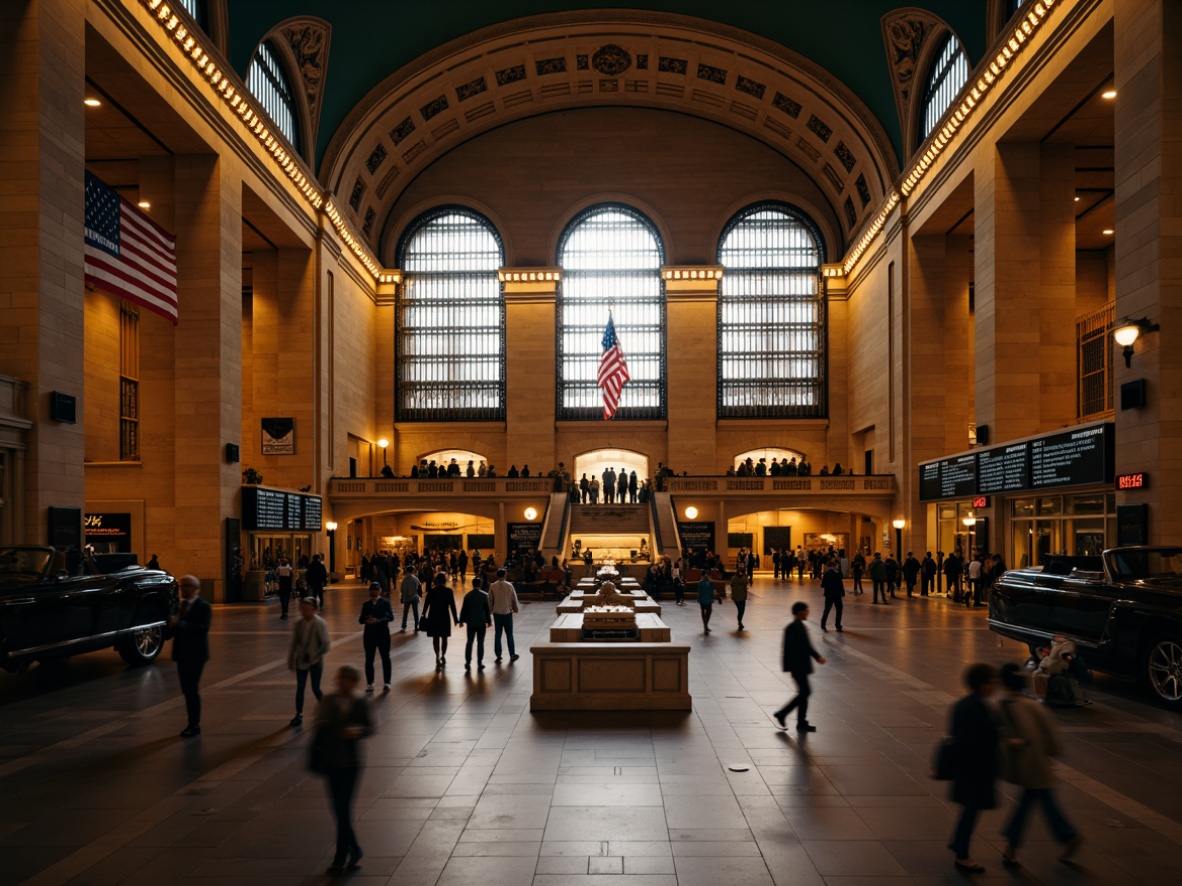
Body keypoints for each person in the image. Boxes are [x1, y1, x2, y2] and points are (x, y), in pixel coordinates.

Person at [996, 663, 1081, 866]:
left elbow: (1005, 736)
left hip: (1029, 765)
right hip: (1039, 764)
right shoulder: (1032, 705)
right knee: (1039, 801)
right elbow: (1051, 736)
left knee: (1032, 802)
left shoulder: (1006, 705)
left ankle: (1014, 845)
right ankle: (1065, 836)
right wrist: (1051, 751)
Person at [315, 665, 374, 874]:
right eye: (341, 678)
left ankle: (340, 857)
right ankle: (355, 849)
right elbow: (319, 727)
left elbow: (371, 727)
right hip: (331, 761)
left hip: (351, 764)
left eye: (348, 680)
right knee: (339, 810)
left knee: (343, 810)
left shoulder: (360, 702)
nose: (343, 683)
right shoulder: (329, 700)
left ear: (354, 682)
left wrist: (359, 731)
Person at [947, 663, 1002, 873]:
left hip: (974, 770)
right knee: (970, 812)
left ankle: (959, 845)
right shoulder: (972, 707)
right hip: (973, 771)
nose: (995, 685)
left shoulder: (973, 704)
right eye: (991, 681)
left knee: (969, 811)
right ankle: (962, 855)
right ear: (981, 684)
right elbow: (967, 741)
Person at [773, 601, 825, 733]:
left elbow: (806, 646)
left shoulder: (799, 626)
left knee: (804, 693)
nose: (807, 613)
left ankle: (801, 721)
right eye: (805, 610)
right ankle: (783, 714)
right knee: (805, 692)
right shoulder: (792, 628)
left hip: (800, 665)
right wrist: (816, 656)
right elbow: (793, 649)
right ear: (798, 612)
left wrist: (816, 656)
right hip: (797, 666)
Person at [169, 574, 211, 738]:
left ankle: (194, 724)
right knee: (187, 690)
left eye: (185, 586)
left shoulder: (203, 606)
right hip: (182, 654)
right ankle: (192, 722)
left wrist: (179, 623)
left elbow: (202, 627)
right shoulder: (183, 605)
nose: (182, 589)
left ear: (194, 589)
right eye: (181, 586)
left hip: (196, 654)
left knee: (191, 690)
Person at [288, 597, 330, 727]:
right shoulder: (298, 624)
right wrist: (291, 658)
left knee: (315, 688)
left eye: (308, 609)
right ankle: (298, 714)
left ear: (314, 609)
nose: (305, 612)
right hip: (301, 661)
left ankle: (328, 712)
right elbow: (294, 642)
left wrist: (315, 654)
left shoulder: (319, 623)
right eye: (303, 609)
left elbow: (325, 644)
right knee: (300, 688)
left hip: (315, 661)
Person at [358, 581, 393, 692]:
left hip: (382, 634)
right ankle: (370, 683)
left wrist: (378, 620)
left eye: (375, 589)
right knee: (369, 659)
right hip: (369, 635)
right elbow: (360, 620)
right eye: (371, 590)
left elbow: (390, 617)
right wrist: (366, 620)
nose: (373, 591)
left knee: (385, 658)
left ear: (379, 590)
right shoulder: (366, 605)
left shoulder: (385, 603)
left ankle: (387, 682)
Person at [420, 573, 459, 669]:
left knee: (435, 638)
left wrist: (423, 614)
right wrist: (455, 619)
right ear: (444, 581)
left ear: (436, 581)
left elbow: (426, 605)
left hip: (433, 616)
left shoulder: (431, 592)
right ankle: (443, 655)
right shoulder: (449, 591)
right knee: (444, 637)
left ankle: (437, 655)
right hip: (444, 617)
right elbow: (452, 606)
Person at [459, 575, 493, 671]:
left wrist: (461, 621)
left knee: (469, 642)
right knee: (480, 642)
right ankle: (479, 662)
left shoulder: (468, 596)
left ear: (472, 584)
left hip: (470, 622)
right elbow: (487, 610)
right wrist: (489, 621)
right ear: (480, 584)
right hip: (481, 622)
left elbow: (464, 610)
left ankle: (468, 661)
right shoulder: (484, 595)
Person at [487, 568, 521, 663]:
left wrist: (490, 611)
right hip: (507, 612)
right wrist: (516, 609)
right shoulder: (509, 585)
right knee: (509, 634)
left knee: (498, 634)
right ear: (505, 574)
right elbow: (514, 598)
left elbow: (490, 599)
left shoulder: (493, 586)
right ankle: (512, 654)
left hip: (497, 613)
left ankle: (498, 654)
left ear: (497, 575)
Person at [819, 558, 844, 632]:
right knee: (839, 609)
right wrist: (842, 592)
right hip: (837, 594)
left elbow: (823, 585)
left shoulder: (826, 573)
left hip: (829, 594)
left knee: (827, 609)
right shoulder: (838, 573)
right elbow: (840, 583)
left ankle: (823, 624)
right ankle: (838, 625)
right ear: (836, 565)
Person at [399, 565, 422, 633]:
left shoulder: (404, 580)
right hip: (414, 597)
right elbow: (419, 588)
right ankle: (416, 626)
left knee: (405, 612)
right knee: (415, 612)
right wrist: (419, 596)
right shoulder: (415, 579)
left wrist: (403, 597)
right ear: (413, 571)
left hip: (407, 598)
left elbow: (402, 589)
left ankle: (404, 626)